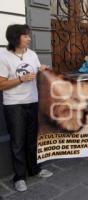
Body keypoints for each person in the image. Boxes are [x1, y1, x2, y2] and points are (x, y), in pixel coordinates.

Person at [0, 24, 53, 192]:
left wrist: (42, 69)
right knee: (17, 142)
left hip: (33, 101)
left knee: (32, 139)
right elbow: (1, 84)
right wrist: (21, 80)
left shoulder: (32, 55)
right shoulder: (3, 56)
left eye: (28, 35)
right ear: (16, 38)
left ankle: (35, 169)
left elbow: (36, 72)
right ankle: (19, 177)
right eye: (25, 36)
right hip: (14, 105)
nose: (29, 38)